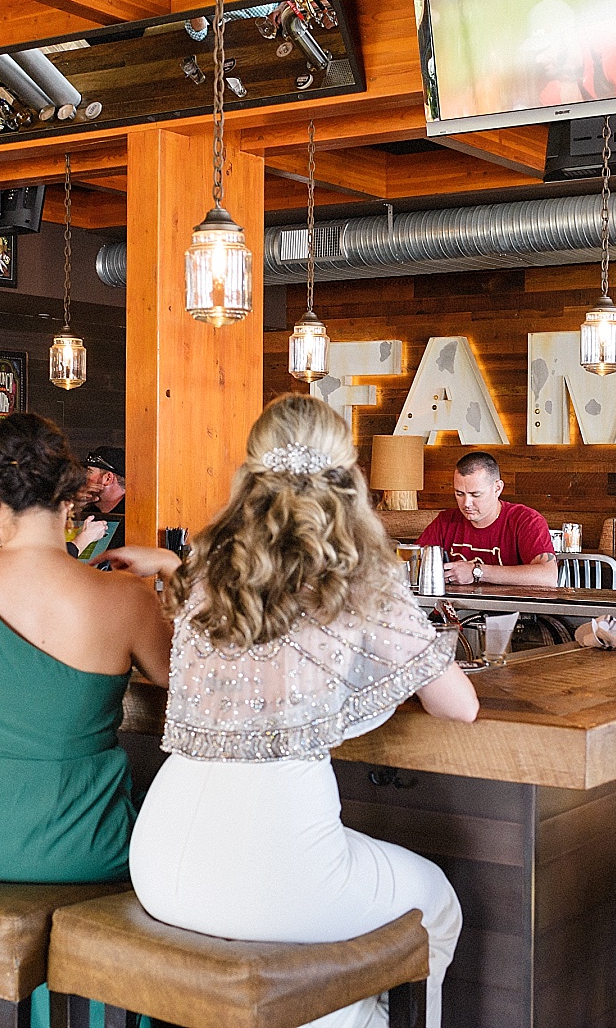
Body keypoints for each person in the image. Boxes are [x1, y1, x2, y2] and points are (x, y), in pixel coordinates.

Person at [123, 394, 480, 1028]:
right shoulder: (359, 570)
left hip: (157, 856)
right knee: (435, 906)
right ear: (349, 476)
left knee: (300, 953)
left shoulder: (209, 565)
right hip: (275, 864)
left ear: (250, 473)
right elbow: (458, 706)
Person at [0, 414, 171, 1028]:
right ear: (72, 492)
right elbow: (189, 692)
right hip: (82, 844)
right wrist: (176, 571)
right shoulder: (124, 597)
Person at [416, 451, 557, 586]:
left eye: (475, 495)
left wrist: (476, 572)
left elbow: (548, 576)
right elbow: (411, 564)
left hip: (511, 609)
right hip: (455, 608)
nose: (466, 503)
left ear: (497, 488)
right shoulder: (446, 521)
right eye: (459, 494)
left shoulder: (526, 520)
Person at [79, 446, 126, 549]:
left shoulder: (132, 520)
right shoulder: (87, 511)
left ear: (108, 478)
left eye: (89, 472)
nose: (84, 478)